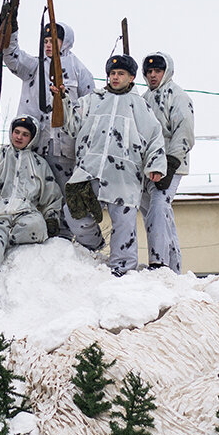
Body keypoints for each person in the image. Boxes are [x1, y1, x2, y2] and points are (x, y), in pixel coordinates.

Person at [56, 54, 166, 275]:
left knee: (124, 224)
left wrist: (156, 165)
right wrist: (63, 100)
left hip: (124, 177)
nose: (115, 77)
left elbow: (155, 136)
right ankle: (94, 246)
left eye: (121, 74)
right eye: (112, 74)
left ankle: (122, 268)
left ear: (132, 77)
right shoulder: (92, 100)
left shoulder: (140, 106)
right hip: (89, 171)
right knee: (73, 212)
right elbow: (72, 126)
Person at [0, 115, 63, 309]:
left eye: (25, 134)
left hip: (25, 212)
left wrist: (51, 217)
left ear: (31, 138)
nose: (19, 137)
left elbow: (52, 196)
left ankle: (6, 240)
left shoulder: (40, 164)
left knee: (37, 226)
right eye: (16, 132)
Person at [2, 21, 96, 191]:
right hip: (34, 145)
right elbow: (11, 57)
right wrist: (11, 29)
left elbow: (91, 110)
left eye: (53, 41)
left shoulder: (80, 71)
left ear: (65, 42)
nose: (48, 45)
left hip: (66, 149)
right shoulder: (34, 66)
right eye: (45, 41)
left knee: (65, 198)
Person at [139, 52, 196, 273]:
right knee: (158, 213)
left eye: (158, 71)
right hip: (148, 166)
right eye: (149, 71)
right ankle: (174, 268)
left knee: (158, 207)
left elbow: (185, 131)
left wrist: (170, 165)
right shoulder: (144, 98)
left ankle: (158, 262)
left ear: (167, 71)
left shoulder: (178, 96)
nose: (153, 75)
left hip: (171, 163)